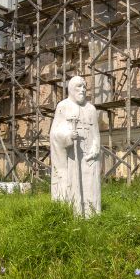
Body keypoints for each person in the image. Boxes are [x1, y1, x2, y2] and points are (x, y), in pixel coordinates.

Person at [50, 76, 101, 217]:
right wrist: (67, 136)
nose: (83, 90)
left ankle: (92, 216)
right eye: (79, 86)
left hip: (89, 156)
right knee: (73, 185)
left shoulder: (91, 109)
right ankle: (72, 214)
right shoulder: (63, 106)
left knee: (90, 185)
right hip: (72, 156)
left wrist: (95, 148)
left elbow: (96, 134)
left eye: (84, 87)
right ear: (71, 89)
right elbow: (54, 133)